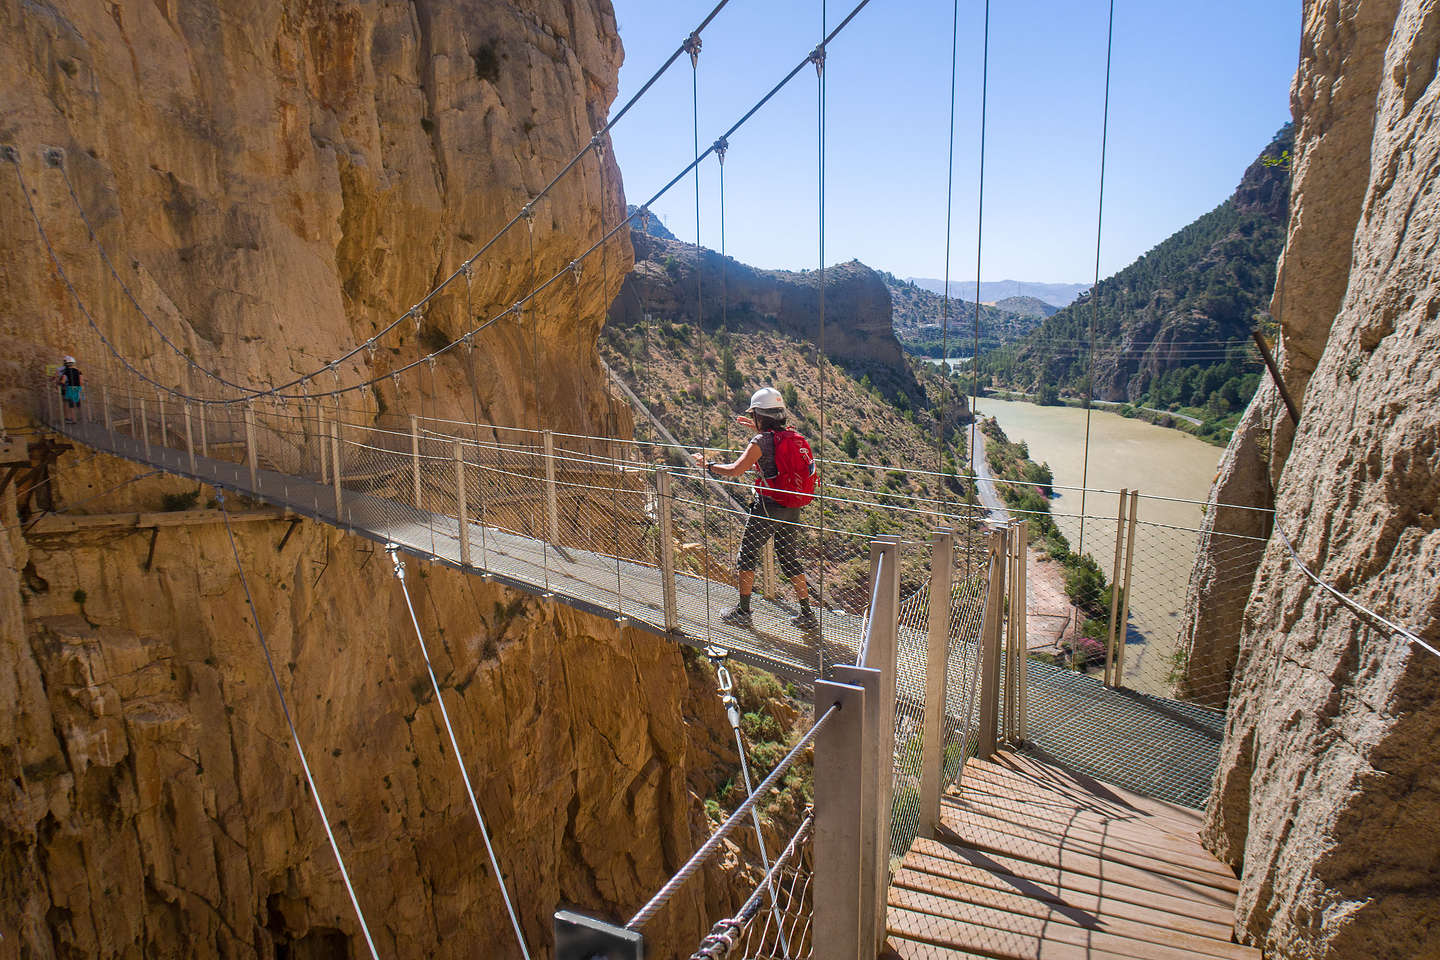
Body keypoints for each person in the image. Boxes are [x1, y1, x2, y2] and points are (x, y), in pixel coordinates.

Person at [693, 386, 819, 633]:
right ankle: (807, 613)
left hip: (768, 506)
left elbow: (735, 470)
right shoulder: (791, 436)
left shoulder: (761, 441)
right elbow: (774, 441)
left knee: (747, 554)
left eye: (755, 417)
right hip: (791, 506)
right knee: (788, 557)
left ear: (759, 416)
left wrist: (708, 465)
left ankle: (743, 611)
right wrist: (756, 430)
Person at [56, 356, 83, 424]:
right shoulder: (78, 371)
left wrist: (59, 383)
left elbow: (63, 381)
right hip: (78, 388)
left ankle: (73, 419)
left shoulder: (65, 372)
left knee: (70, 404)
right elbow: (81, 381)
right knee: (77, 403)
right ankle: (81, 418)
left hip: (70, 388)